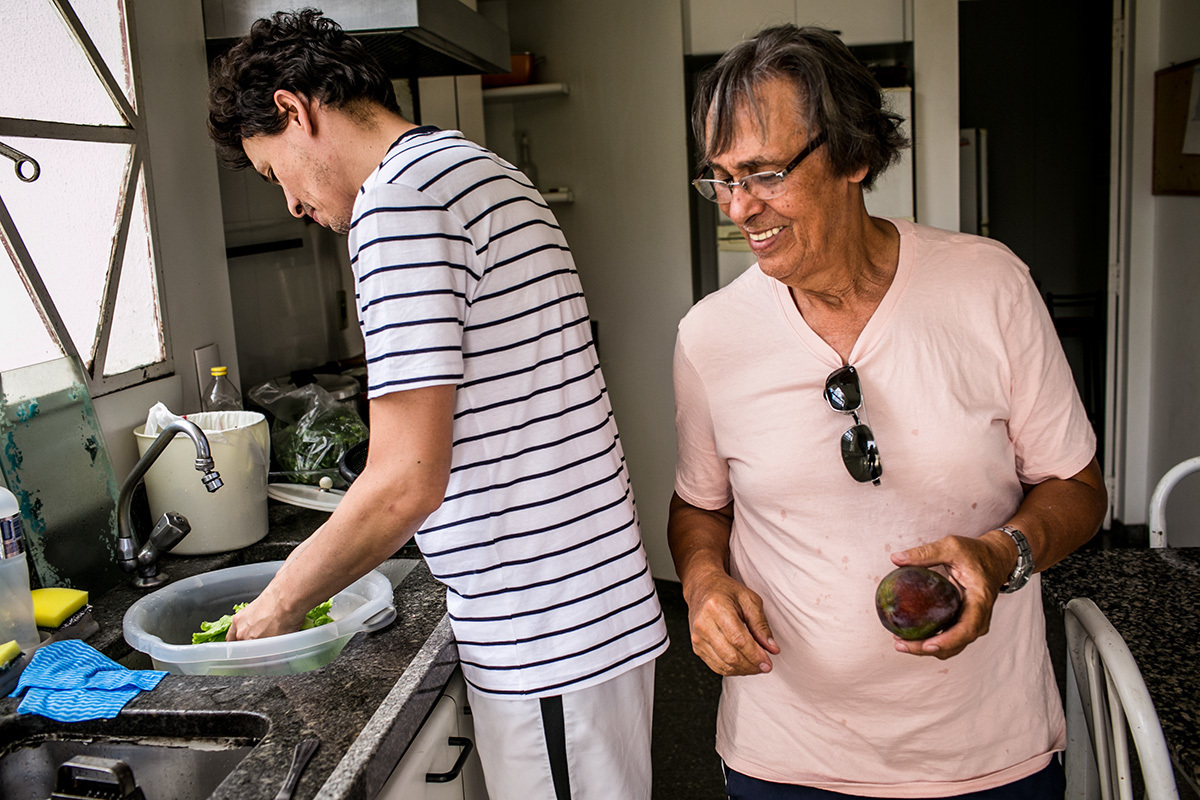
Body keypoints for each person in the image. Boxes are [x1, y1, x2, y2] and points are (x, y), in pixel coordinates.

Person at [206, 10, 668, 799]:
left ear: (294, 110)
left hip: (543, 632)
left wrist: (276, 603)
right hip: (576, 608)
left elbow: (404, 479)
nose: (289, 203)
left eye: (272, 171)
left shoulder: (398, 206)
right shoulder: (470, 167)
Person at [669, 24, 1107, 800]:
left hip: (984, 751)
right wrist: (703, 582)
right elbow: (700, 505)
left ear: (854, 156)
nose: (740, 208)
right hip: (786, 754)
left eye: (765, 173)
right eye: (721, 178)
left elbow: (1076, 487)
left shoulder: (989, 284)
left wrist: (1002, 554)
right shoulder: (710, 337)